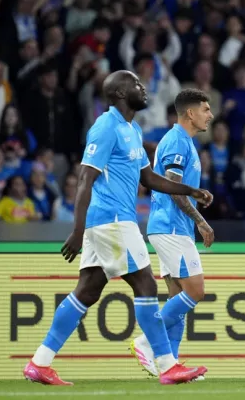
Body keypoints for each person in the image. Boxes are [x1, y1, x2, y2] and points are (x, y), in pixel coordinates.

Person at [23, 71, 213, 386]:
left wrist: (190, 190)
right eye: (136, 84)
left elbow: (149, 178)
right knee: (146, 285)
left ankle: (39, 362)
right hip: (111, 219)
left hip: (113, 221)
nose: (143, 88)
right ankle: (166, 365)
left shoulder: (132, 129)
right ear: (121, 93)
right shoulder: (106, 127)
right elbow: (85, 178)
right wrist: (77, 230)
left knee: (87, 291)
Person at [129, 89, 215, 380]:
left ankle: (171, 365)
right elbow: (173, 189)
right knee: (195, 291)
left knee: (178, 297)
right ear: (190, 113)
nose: (210, 115)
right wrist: (201, 221)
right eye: (205, 109)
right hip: (171, 227)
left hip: (168, 227)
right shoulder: (177, 141)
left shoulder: (184, 141)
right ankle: (145, 342)